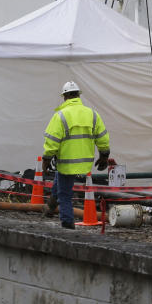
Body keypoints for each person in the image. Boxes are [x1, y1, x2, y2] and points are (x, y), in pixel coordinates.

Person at [41, 80, 110, 229]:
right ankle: (51, 205)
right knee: (60, 180)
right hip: (85, 162)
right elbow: (102, 137)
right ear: (79, 95)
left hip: (66, 162)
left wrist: (46, 159)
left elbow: (52, 141)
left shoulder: (61, 116)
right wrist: (104, 155)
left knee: (65, 193)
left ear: (64, 97)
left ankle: (67, 223)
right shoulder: (92, 114)